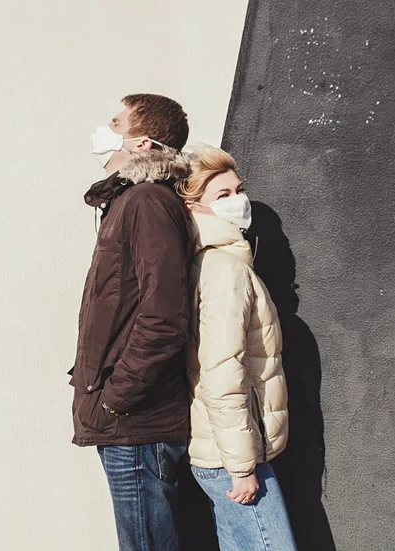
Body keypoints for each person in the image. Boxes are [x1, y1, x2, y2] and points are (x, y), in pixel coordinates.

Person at [69, 94, 193, 551]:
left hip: (138, 422)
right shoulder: (127, 201)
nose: (105, 129)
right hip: (128, 420)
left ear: (141, 143)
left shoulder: (145, 202)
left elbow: (164, 317)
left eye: (115, 121)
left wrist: (117, 399)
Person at [176, 145, 297, 551]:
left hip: (227, 451)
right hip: (233, 458)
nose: (238, 201)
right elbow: (221, 373)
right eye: (222, 195)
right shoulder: (224, 271)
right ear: (194, 207)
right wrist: (243, 467)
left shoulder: (218, 262)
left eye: (238, 190)